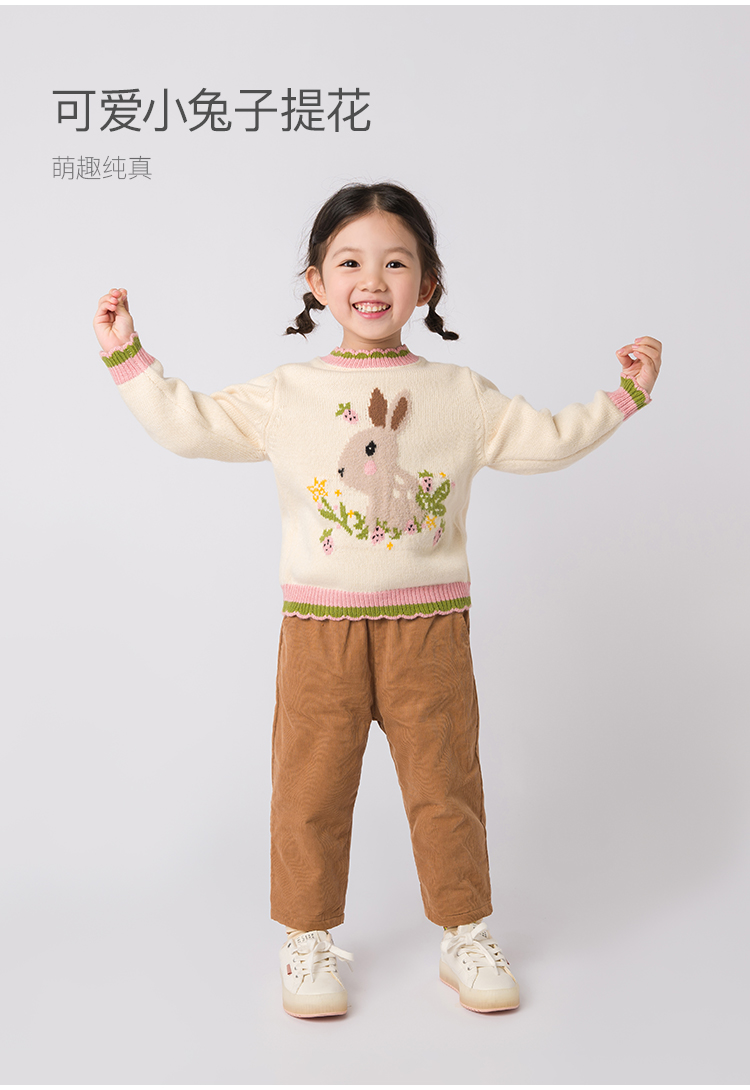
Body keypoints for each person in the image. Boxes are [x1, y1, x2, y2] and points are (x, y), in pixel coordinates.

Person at [93, 182, 661, 1019]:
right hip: (318, 632)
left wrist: (624, 397)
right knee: (310, 790)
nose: (371, 280)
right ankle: (307, 939)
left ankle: (465, 932)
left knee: (446, 784)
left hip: (429, 629)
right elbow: (192, 425)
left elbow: (544, 441)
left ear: (427, 283)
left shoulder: (458, 394)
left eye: (396, 263)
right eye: (349, 262)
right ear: (316, 282)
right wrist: (128, 358)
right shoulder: (289, 391)